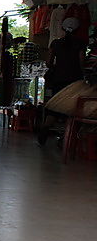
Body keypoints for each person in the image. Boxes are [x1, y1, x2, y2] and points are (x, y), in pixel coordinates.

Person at [38, 17, 87, 145]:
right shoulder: (80, 43)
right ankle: (66, 135)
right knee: (71, 108)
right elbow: (81, 62)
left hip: (58, 80)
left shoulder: (55, 43)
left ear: (63, 28)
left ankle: (45, 127)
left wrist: (57, 67)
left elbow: (48, 63)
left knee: (55, 105)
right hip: (75, 81)